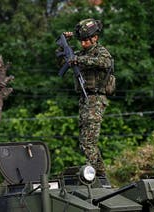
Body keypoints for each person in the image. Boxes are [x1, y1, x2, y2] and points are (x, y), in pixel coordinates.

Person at [57, 18, 113, 176]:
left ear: (95, 38)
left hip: (95, 99)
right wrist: (63, 46)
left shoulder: (100, 52)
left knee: (88, 142)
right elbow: (61, 64)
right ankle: (101, 174)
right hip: (84, 99)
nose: (83, 44)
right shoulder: (80, 53)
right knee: (84, 142)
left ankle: (95, 174)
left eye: (86, 40)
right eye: (81, 41)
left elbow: (105, 63)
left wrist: (79, 59)